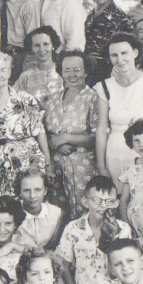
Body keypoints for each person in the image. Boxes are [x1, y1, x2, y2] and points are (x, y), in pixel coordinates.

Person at [57, 175, 132, 284]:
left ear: (115, 203)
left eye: (109, 201)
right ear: (85, 201)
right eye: (96, 200)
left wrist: (111, 240)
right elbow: (64, 266)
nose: (103, 206)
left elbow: (120, 272)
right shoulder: (73, 228)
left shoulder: (123, 229)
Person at [0, 52, 53, 200]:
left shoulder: (25, 99)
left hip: (27, 165)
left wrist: (48, 165)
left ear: (10, 72)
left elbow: (40, 133)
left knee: (29, 206)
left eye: (3, 70)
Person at [95, 32, 143, 191]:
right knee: (119, 200)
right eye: (114, 55)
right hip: (114, 154)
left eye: (124, 53)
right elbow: (101, 129)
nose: (119, 59)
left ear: (135, 53)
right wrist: (101, 166)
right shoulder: (104, 87)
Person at [46, 50, 99, 217]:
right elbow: (46, 133)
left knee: (85, 210)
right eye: (67, 70)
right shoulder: (54, 99)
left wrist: (67, 138)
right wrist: (56, 143)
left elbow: (98, 136)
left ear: (86, 71)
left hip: (84, 167)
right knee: (59, 214)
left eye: (77, 69)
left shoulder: (94, 97)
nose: (72, 74)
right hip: (57, 167)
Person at [84, 0, 136, 85]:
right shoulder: (89, 17)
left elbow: (129, 53)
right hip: (88, 76)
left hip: (111, 77)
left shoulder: (121, 18)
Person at [14, 26, 64, 112]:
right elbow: (12, 100)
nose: (41, 49)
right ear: (32, 49)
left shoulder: (64, 72)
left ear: (53, 45)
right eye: (37, 45)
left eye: (46, 44)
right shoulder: (26, 76)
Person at [14, 168, 64, 249]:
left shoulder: (56, 213)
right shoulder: (11, 212)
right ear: (20, 193)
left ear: (45, 191)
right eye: (26, 190)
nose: (32, 196)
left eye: (37, 190)